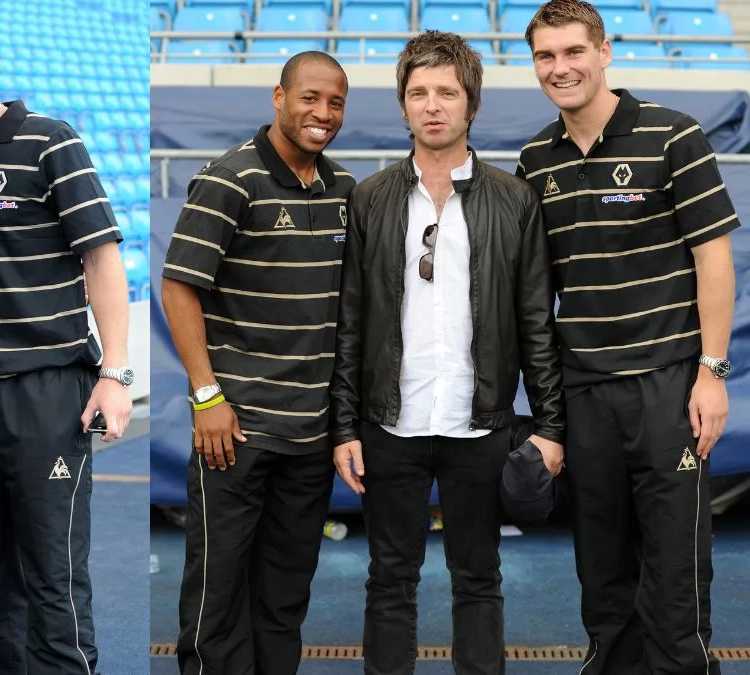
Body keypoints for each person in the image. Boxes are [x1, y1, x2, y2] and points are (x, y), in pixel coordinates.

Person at [329, 31, 566, 674]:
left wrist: (549, 428)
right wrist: (346, 427)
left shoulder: (515, 201)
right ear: (404, 106)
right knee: (389, 580)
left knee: (479, 578)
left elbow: (536, 323)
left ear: (471, 105)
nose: (432, 106)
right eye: (418, 93)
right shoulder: (369, 199)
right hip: (389, 425)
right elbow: (350, 322)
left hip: (479, 424)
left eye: (447, 93)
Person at [518, 1, 738, 672]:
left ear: (604, 51)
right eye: (546, 56)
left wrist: (712, 372)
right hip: (585, 395)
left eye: (573, 51)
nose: (561, 68)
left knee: (673, 570)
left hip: (670, 387)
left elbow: (714, 259)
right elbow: (538, 290)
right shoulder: (535, 161)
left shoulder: (674, 135)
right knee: (602, 569)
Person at [0, 6, 133, 674]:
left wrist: (115, 373)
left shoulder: (50, 141)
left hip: (48, 392)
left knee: (54, 578)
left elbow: (102, 259)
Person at [160, 50, 353, 675]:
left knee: (284, 599)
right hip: (234, 434)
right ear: (279, 97)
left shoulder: (347, 192)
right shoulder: (230, 179)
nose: (322, 114)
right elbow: (178, 286)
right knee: (217, 599)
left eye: (335, 103)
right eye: (309, 98)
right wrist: (207, 396)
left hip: (309, 437)